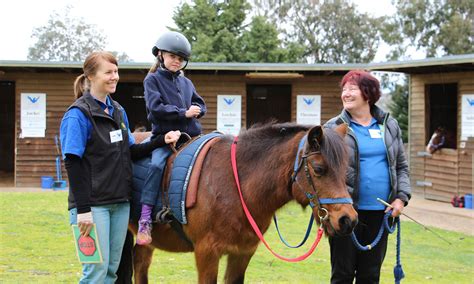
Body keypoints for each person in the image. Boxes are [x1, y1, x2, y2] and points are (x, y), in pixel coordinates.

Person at [60, 51, 180, 283]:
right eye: (108, 72)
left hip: (120, 204)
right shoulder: (78, 115)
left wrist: (159, 140)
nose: (115, 77)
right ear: (91, 76)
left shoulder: (117, 111)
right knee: (95, 272)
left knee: (111, 271)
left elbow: (130, 151)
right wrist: (83, 211)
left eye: (116, 72)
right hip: (93, 208)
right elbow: (73, 163)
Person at [324, 70, 411, 284]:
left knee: (370, 275)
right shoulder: (332, 128)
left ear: (368, 94)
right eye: (344, 89)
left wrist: (401, 198)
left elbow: (401, 166)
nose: (346, 93)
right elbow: (324, 174)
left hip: (380, 214)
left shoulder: (389, 126)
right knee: (342, 275)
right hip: (344, 212)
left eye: (352, 88)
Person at [136, 31, 207, 245]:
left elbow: (200, 103)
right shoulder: (152, 80)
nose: (176, 61)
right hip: (166, 138)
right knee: (157, 165)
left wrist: (198, 110)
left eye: (180, 58)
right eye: (172, 56)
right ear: (160, 55)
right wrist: (183, 113)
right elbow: (155, 109)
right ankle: (146, 217)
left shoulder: (187, 83)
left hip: (191, 138)